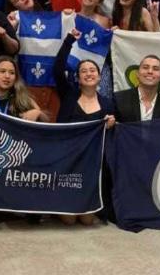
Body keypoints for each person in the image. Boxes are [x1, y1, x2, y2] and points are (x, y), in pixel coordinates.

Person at [54, 28, 115, 225]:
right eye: (84, 71)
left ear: (99, 76)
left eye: (92, 70)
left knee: (88, 221)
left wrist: (112, 124)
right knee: (69, 221)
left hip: (92, 164)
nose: (89, 73)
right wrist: (69, 40)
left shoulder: (108, 103)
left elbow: (112, 135)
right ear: (78, 78)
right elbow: (57, 69)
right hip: (68, 160)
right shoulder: (69, 95)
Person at [113, 55, 160, 122]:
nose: (150, 71)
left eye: (155, 69)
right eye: (145, 67)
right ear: (137, 74)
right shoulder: (118, 99)